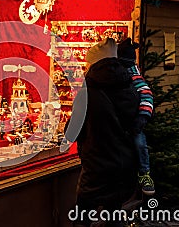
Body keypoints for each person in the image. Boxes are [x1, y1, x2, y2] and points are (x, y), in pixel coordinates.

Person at [65, 37, 140, 227]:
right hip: (124, 165)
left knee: (82, 217)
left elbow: (72, 132)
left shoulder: (87, 91)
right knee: (114, 214)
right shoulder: (129, 85)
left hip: (97, 167)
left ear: (95, 63)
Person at [117, 38, 155, 195]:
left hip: (133, 122)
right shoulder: (116, 74)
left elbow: (147, 95)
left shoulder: (135, 77)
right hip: (119, 121)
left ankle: (145, 172)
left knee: (139, 143)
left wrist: (142, 117)